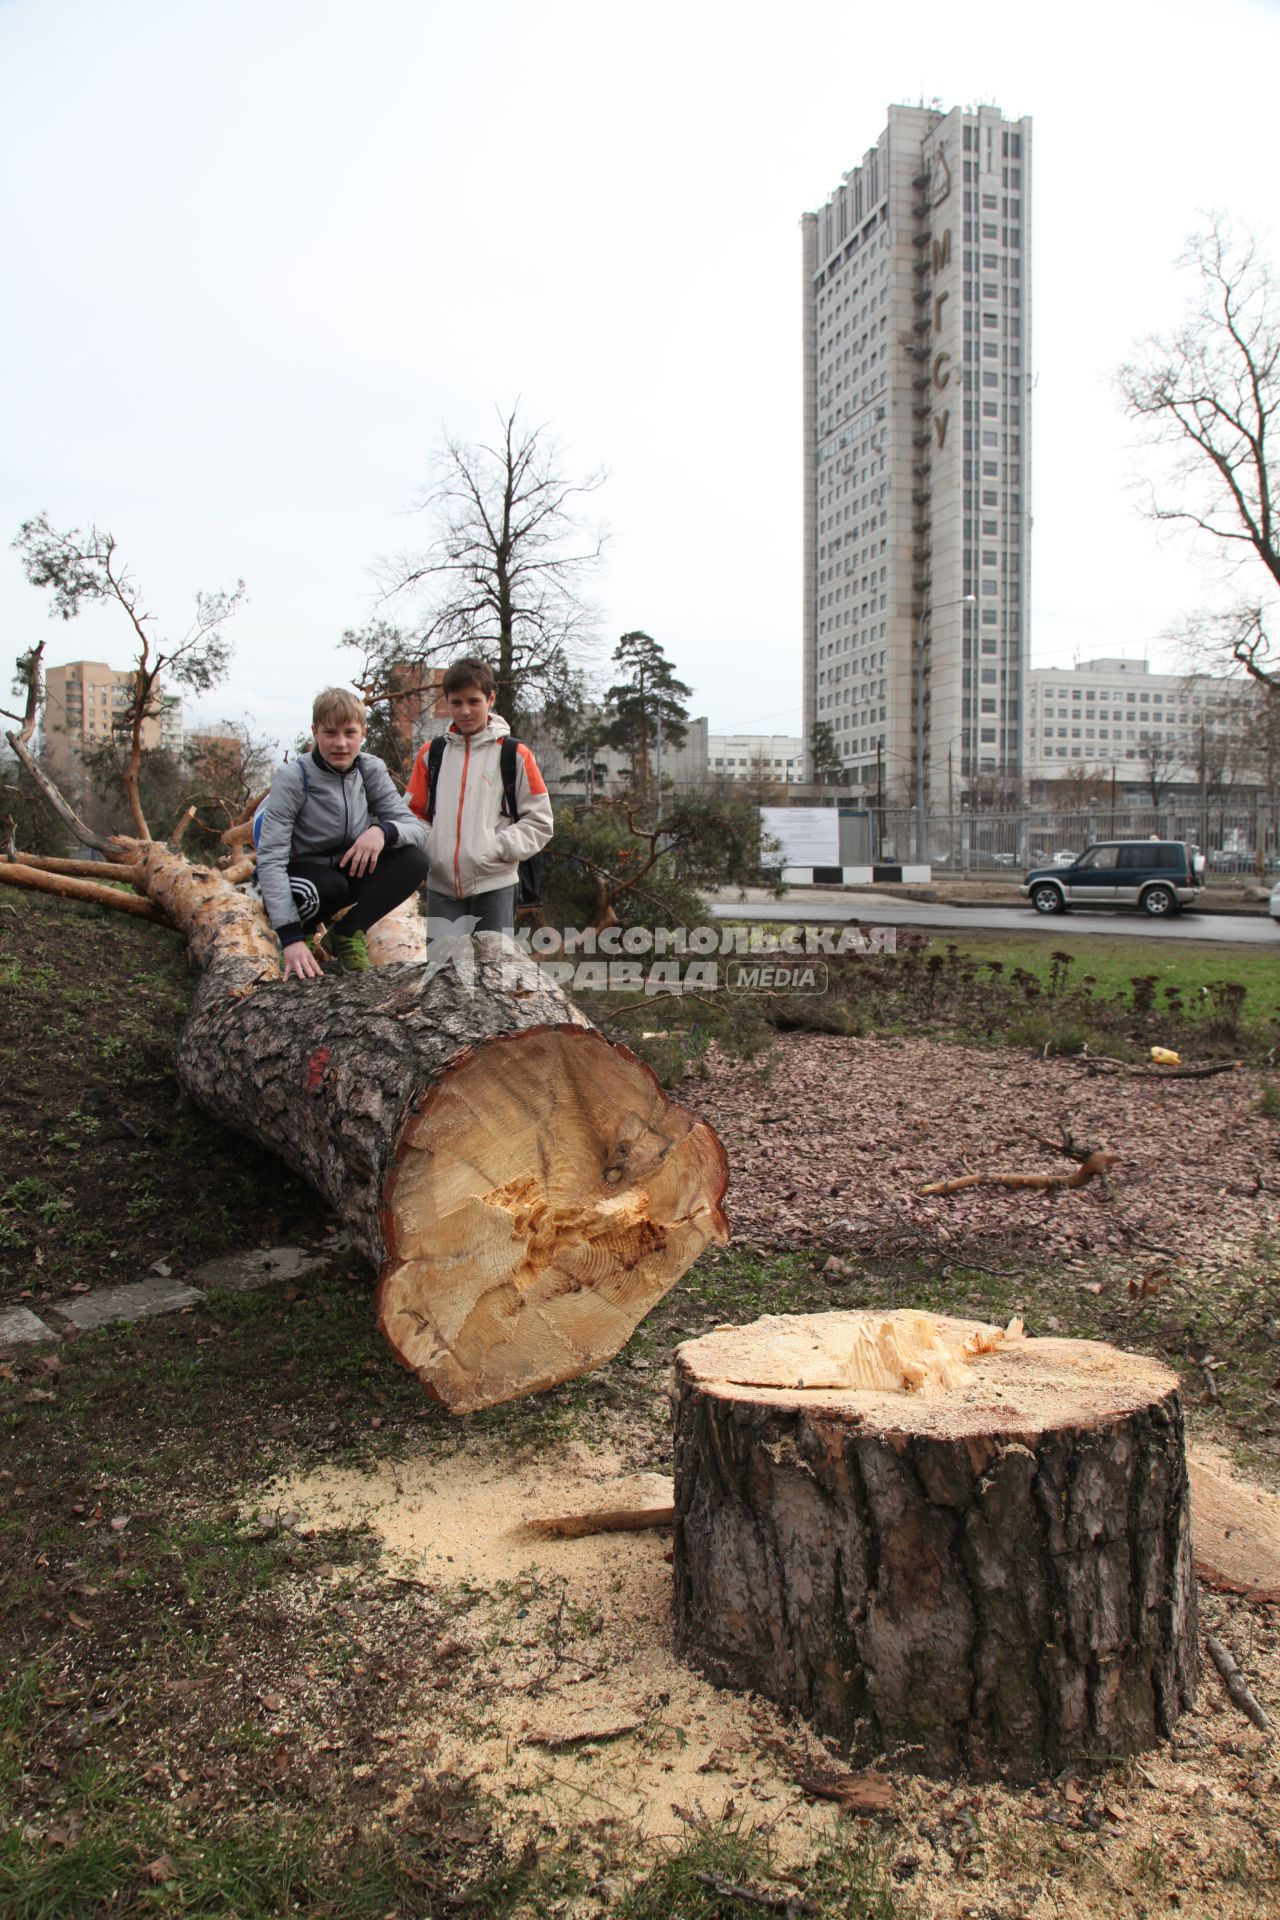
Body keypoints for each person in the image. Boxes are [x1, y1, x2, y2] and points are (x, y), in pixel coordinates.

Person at [256, 688, 430, 980]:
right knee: (327, 887)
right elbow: (270, 858)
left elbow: (415, 829)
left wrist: (382, 831)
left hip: (347, 866)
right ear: (314, 731)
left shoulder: (369, 769)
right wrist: (289, 937)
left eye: (350, 733)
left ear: (363, 732)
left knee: (414, 862)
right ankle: (298, 939)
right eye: (330, 733)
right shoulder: (295, 777)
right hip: (302, 874)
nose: (341, 743)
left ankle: (346, 934)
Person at [405, 658, 553, 934]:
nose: (465, 711)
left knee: (492, 971)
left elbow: (541, 820)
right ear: (447, 702)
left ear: (490, 699)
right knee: (444, 973)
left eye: (474, 701)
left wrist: (496, 848)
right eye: (456, 702)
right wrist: (433, 847)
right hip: (442, 888)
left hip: (495, 884)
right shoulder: (431, 754)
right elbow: (412, 814)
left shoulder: (515, 755)